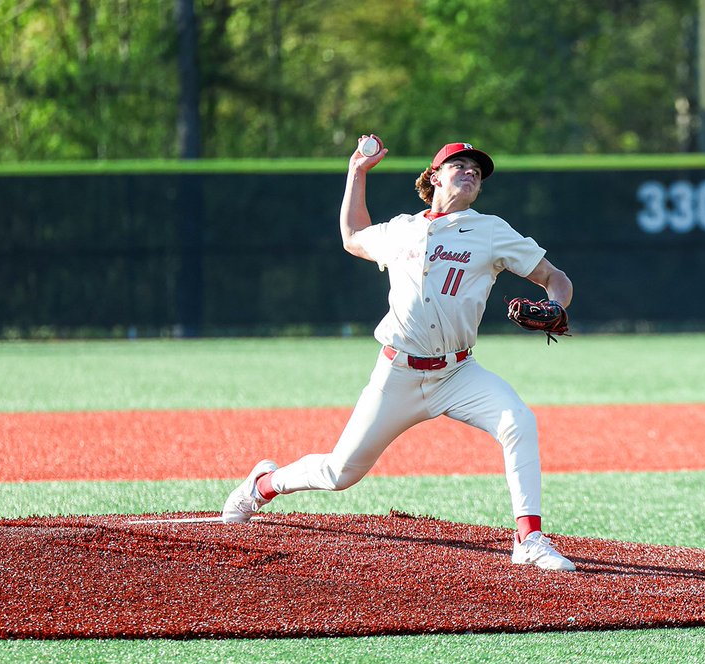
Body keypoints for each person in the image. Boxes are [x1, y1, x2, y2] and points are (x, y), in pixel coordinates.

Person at [222, 137, 576, 571]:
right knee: (340, 473)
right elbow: (352, 237)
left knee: (518, 420)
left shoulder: (490, 231)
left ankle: (528, 538)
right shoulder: (401, 229)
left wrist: (557, 305)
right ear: (434, 176)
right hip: (398, 373)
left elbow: (554, 277)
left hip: (458, 374)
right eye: (459, 165)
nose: (470, 173)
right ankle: (264, 484)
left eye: (477, 172)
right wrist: (357, 172)